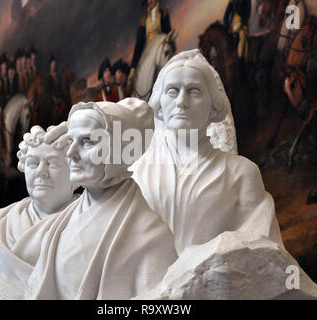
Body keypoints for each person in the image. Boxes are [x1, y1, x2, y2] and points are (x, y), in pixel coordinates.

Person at [129, 50, 283, 256]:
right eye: (173, 91)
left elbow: (265, 252)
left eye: (194, 91)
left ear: (214, 107)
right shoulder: (136, 173)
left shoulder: (241, 173)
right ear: (159, 107)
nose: (181, 101)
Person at [26, 98, 177, 299]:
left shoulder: (151, 236)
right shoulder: (63, 220)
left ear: (120, 149)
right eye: (71, 141)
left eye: (87, 141)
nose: (70, 153)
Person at [0, 124, 77, 299]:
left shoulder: (91, 222)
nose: (41, 172)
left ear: (75, 174)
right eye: (33, 163)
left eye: (52, 163)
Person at [129, 0, 172, 85]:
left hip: (161, 50)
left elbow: (168, 35)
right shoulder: (143, 20)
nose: (150, 1)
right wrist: (133, 68)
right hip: (148, 53)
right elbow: (139, 45)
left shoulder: (163, 13)